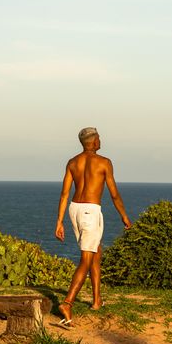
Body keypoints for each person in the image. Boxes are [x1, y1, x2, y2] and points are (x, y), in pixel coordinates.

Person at [54, 127, 131, 326]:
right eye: (98, 138)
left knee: (96, 250)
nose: (100, 140)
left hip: (74, 209)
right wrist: (124, 216)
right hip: (90, 210)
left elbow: (64, 194)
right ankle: (68, 303)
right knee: (86, 259)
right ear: (94, 141)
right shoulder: (104, 162)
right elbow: (114, 194)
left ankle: (97, 300)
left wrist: (60, 221)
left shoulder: (72, 162)